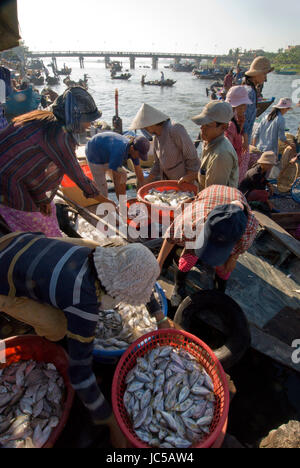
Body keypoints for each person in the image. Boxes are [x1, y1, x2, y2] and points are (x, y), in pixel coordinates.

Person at [0, 232, 163, 447]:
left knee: (87, 249)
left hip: (18, 240)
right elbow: (79, 374)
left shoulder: (106, 254)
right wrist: (110, 420)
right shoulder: (84, 304)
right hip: (3, 273)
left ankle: (47, 290)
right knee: (58, 328)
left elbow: (135, 276)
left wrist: (159, 316)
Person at [0, 87, 114, 237]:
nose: (89, 126)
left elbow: (30, 168)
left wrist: (42, 199)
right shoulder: (60, 136)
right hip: (8, 187)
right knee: (39, 229)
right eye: (87, 121)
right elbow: (78, 177)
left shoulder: (42, 117)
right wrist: (107, 202)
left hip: (16, 177)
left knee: (50, 209)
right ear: (75, 118)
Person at [157, 185, 259, 305]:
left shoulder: (250, 228)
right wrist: (159, 262)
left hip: (233, 201)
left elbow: (241, 248)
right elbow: (170, 236)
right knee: (188, 258)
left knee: (225, 268)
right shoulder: (192, 220)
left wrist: (233, 257)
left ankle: (219, 291)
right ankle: (179, 283)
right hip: (210, 193)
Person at [130, 103, 200, 186]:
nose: (144, 130)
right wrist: (146, 181)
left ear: (152, 124)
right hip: (171, 183)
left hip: (186, 182)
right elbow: (157, 164)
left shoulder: (175, 130)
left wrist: (189, 180)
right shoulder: (156, 139)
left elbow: (192, 158)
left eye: (144, 127)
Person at [85, 132, 150, 199]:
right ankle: (107, 205)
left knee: (123, 175)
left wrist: (142, 194)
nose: (139, 157)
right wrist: (122, 204)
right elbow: (117, 182)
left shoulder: (135, 151)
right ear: (132, 148)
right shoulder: (119, 151)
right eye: (139, 155)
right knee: (102, 187)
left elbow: (139, 174)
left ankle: (122, 202)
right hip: (94, 155)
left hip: (109, 154)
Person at [191, 101, 239, 190]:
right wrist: (193, 176)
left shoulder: (221, 155)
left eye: (207, 125)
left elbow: (213, 195)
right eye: (202, 124)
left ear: (223, 127)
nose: (202, 128)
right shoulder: (210, 142)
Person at [242, 56, 274, 152]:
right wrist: (245, 139)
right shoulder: (251, 92)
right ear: (256, 74)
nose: (265, 78)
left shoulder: (246, 88)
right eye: (264, 74)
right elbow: (244, 118)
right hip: (242, 141)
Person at [225, 85, 253, 183]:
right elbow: (228, 149)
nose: (244, 108)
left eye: (245, 105)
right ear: (234, 107)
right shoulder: (230, 125)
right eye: (242, 105)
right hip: (231, 163)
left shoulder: (239, 120)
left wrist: (244, 138)